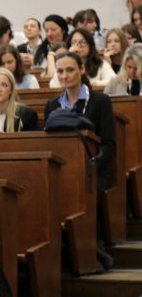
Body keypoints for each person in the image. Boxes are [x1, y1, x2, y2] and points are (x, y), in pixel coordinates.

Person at [45, 51, 116, 195]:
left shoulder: (101, 101)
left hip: (94, 170)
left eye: (70, 70)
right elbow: (49, 143)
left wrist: (91, 164)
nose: (64, 76)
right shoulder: (51, 105)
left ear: (82, 69)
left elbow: (108, 144)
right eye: (60, 71)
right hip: (62, 170)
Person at [49, 27, 116, 89]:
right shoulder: (63, 64)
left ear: (90, 45)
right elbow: (53, 85)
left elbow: (113, 81)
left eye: (82, 42)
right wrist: (69, 56)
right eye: (74, 43)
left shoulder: (100, 63)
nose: (78, 46)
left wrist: (93, 84)